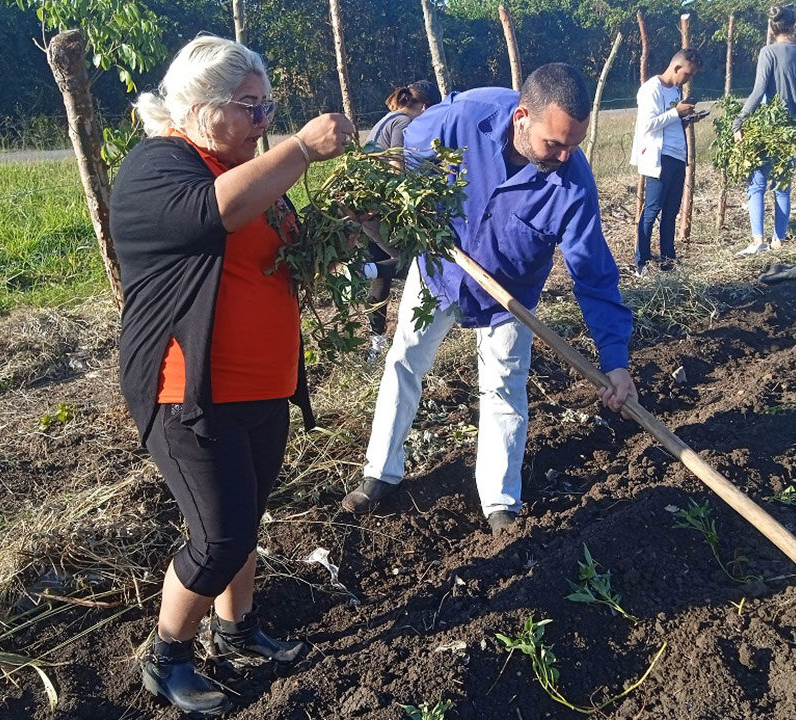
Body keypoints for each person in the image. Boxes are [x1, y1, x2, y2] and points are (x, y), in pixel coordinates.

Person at [110, 36, 354, 716]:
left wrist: (354, 228)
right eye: (248, 107)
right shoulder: (160, 167)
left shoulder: (255, 171)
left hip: (261, 387)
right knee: (218, 537)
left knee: (246, 522)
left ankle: (236, 630)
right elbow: (211, 212)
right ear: (196, 107)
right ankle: (167, 656)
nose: (262, 121)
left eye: (266, 106)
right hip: (188, 392)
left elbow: (287, 251)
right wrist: (301, 149)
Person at [340, 63, 637, 535]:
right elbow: (397, 148)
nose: (565, 156)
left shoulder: (573, 183)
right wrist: (387, 189)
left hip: (509, 297)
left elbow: (593, 275)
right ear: (522, 117)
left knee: (503, 386)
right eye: (554, 143)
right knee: (404, 361)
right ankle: (381, 471)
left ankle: (500, 501)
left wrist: (615, 360)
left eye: (574, 144)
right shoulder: (464, 118)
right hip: (439, 268)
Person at [362, 80, 443, 362]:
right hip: (379, 210)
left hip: (365, 208)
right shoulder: (402, 122)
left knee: (382, 280)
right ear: (425, 107)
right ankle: (363, 271)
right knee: (411, 263)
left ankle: (376, 344)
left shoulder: (386, 119)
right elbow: (398, 166)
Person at [734, 4, 796, 256]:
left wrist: (739, 120)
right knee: (783, 184)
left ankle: (757, 240)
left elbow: (759, 89)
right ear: (794, 26)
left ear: (772, 28)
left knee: (757, 184)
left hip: (769, 126)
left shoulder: (768, 52)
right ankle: (778, 240)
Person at [630, 49, 704, 276]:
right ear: (677, 67)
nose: (688, 80)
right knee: (652, 210)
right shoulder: (651, 89)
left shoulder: (675, 91)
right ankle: (641, 262)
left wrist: (688, 118)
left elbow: (672, 123)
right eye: (688, 74)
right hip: (659, 156)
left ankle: (668, 261)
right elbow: (647, 125)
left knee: (671, 212)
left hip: (677, 156)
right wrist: (677, 113)